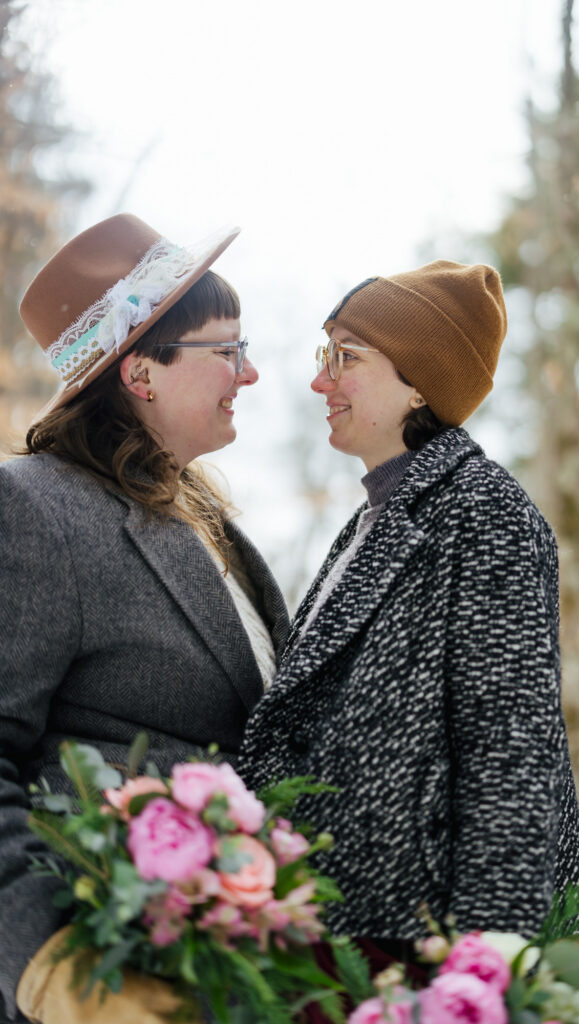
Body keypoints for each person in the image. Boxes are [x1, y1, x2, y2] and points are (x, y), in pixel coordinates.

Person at [239, 261, 579, 964]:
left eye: (346, 356)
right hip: (343, 935)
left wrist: (488, 960)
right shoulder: (376, 518)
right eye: (324, 355)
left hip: (417, 942)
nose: (321, 381)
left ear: (416, 383)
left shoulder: (486, 513)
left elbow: (509, 746)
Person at [0, 214, 289, 1024]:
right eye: (227, 349)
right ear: (141, 373)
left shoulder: (209, 527)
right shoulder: (32, 510)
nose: (252, 371)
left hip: (233, 975)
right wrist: (60, 973)